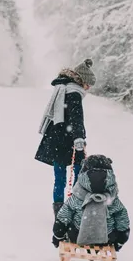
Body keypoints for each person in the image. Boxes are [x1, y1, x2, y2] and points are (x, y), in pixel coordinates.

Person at [35, 59, 96, 217]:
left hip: (56, 139)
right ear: (81, 81)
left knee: (59, 179)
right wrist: (79, 139)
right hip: (70, 141)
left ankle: (59, 211)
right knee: (79, 175)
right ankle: (74, 209)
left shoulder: (63, 89)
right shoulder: (74, 93)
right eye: (88, 84)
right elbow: (76, 119)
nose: (88, 88)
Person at [52, 154, 130, 251]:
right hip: (106, 238)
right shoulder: (111, 196)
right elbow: (122, 217)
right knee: (114, 220)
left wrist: (58, 234)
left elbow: (64, 214)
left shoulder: (78, 194)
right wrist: (121, 238)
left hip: (77, 236)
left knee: (71, 218)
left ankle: (74, 236)